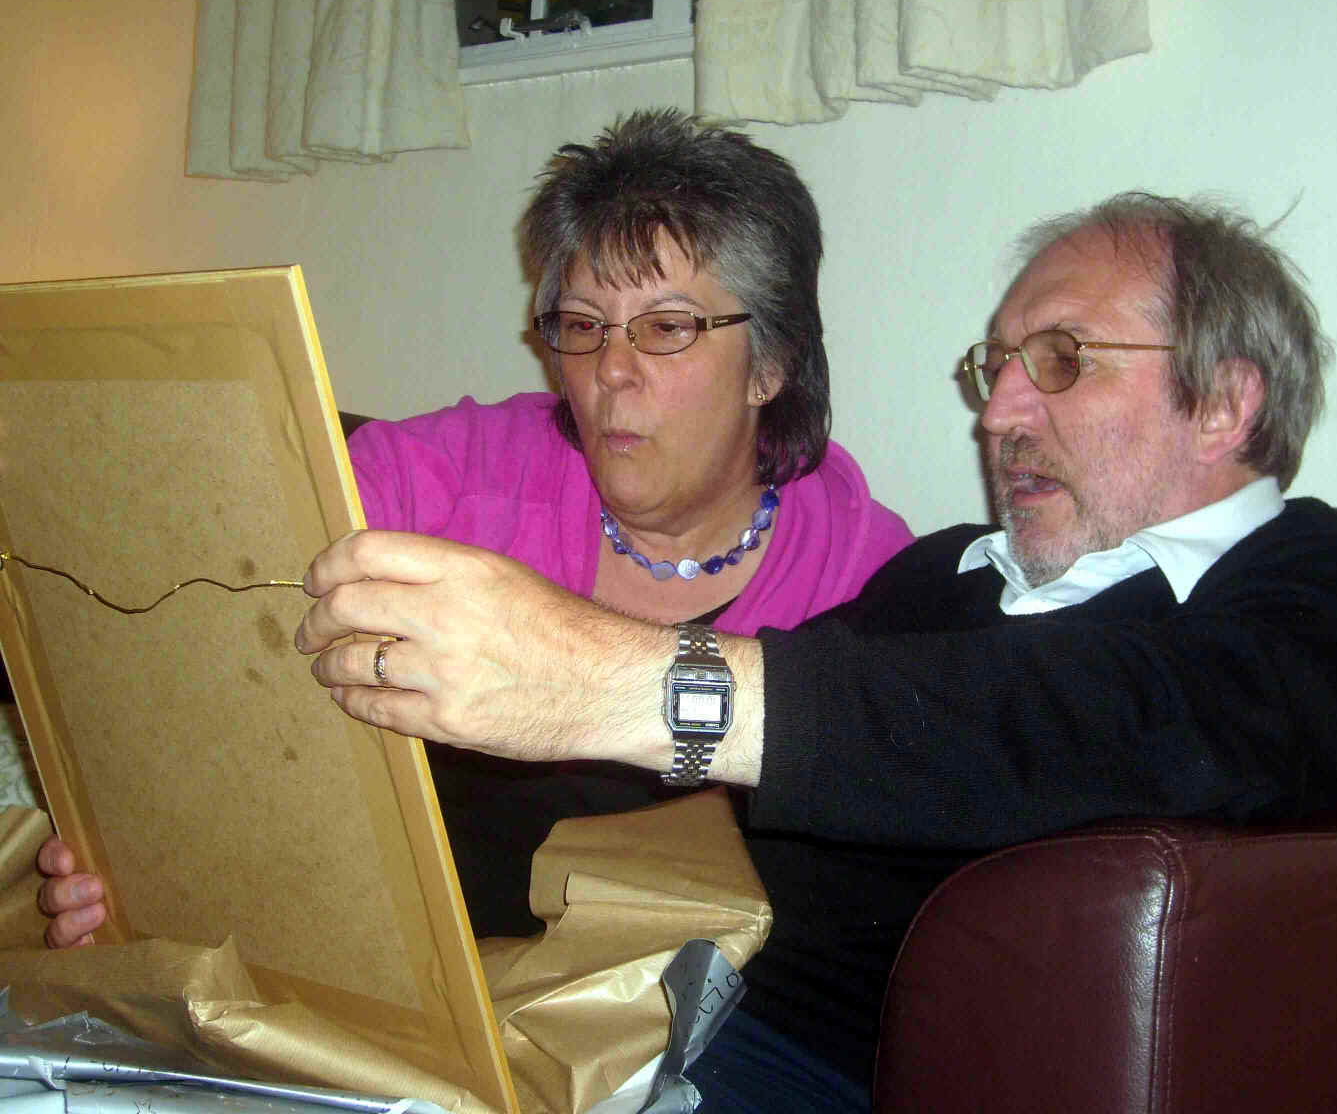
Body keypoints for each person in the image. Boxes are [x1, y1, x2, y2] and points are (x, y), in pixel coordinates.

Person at [54, 192, 1337, 1112]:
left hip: (821, 1074)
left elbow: (1108, 722)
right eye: (995, 368)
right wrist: (238, 878)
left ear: (1225, 402)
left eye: (1063, 362)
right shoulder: (939, 579)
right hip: (654, 1013)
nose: (999, 416)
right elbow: (645, 793)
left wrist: (625, 677)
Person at [33, 109, 913, 946]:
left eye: (667, 327)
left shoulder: (869, 580)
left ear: (772, 365)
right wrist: (138, 848)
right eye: (582, 326)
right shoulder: (445, 483)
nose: (611, 370)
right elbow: (192, 633)